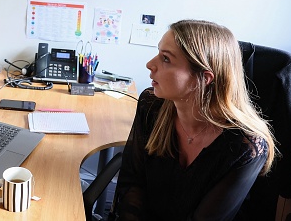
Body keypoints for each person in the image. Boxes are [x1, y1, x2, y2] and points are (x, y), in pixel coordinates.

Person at [109, 19, 275, 221]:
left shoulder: (246, 146)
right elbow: (132, 185)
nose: (150, 64)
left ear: (204, 78)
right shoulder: (151, 105)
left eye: (166, 59)